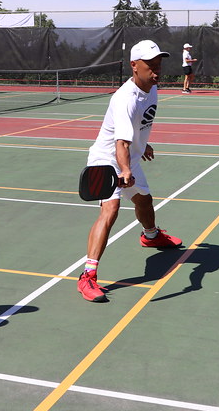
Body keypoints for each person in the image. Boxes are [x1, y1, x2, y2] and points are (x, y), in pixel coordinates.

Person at [77, 40, 182, 303]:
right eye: (150, 65)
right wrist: (124, 170)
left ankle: (151, 236)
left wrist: (142, 144)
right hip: (107, 160)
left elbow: (137, 127)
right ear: (134, 66)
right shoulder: (125, 98)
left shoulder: (152, 88)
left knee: (144, 200)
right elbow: (119, 142)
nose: (157, 70)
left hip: (130, 157)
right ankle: (87, 276)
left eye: (159, 64)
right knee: (110, 210)